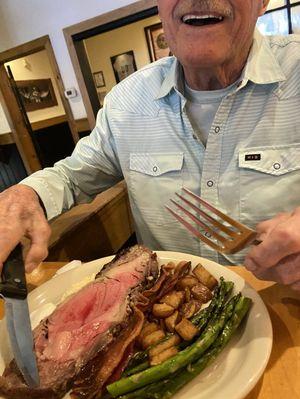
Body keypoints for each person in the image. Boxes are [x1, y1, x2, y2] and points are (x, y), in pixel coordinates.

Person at [0, 0, 300, 291]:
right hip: (165, 311)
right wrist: (25, 194)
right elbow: (72, 175)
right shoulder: (125, 101)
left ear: (263, 2)